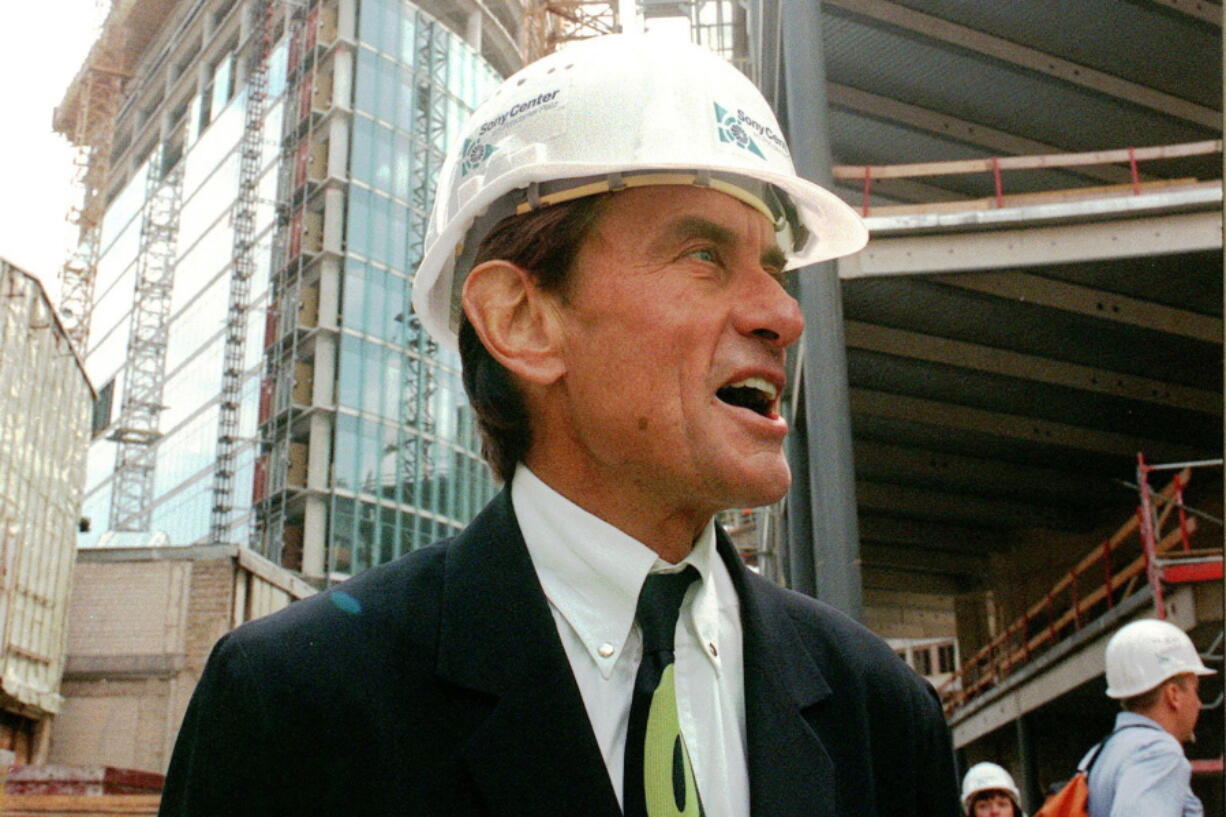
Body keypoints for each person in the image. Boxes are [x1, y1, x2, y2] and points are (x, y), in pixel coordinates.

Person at [159, 34, 960, 817]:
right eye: (704, 255)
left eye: (775, 268)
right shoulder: (297, 707)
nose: (784, 313)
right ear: (521, 319)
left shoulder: (880, 715)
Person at [1081, 618, 1215, 817]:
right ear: (1173, 694)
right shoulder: (1158, 752)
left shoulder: (1098, 755)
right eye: (1195, 690)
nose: (1199, 703)